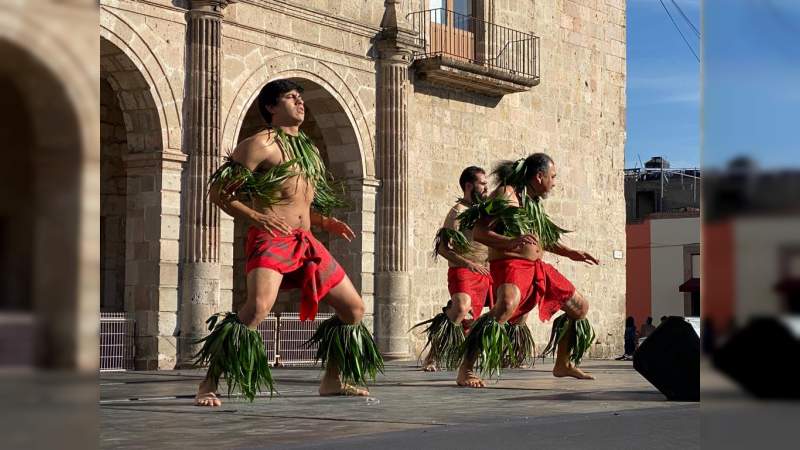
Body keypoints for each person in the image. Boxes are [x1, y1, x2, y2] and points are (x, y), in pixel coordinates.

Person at [194, 79, 383, 407]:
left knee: (353, 310)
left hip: (305, 242)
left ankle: (332, 381)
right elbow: (218, 193)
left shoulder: (306, 148)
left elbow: (297, 200)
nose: (300, 102)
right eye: (291, 97)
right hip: (271, 238)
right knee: (256, 310)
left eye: (300, 97)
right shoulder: (261, 144)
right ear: (271, 107)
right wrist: (258, 218)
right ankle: (208, 384)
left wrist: (325, 222)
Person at [455, 153, 600, 387]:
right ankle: (466, 370)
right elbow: (480, 232)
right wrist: (510, 242)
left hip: (536, 268)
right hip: (510, 265)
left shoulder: (531, 202)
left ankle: (563, 363)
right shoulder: (505, 195)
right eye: (552, 177)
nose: (554, 182)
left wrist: (570, 252)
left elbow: (541, 238)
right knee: (505, 306)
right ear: (539, 176)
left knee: (580, 307)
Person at [412, 166, 494, 372]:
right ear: (469, 185)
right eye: (482, 183)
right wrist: (469, 264)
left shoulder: (485, 211)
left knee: (505, 308)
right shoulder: (457, 212)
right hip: (463, 270)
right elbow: (442, 248)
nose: (486, 188)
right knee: (460, 308)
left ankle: (481, 353)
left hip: (486, 272)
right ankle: (432, 357)